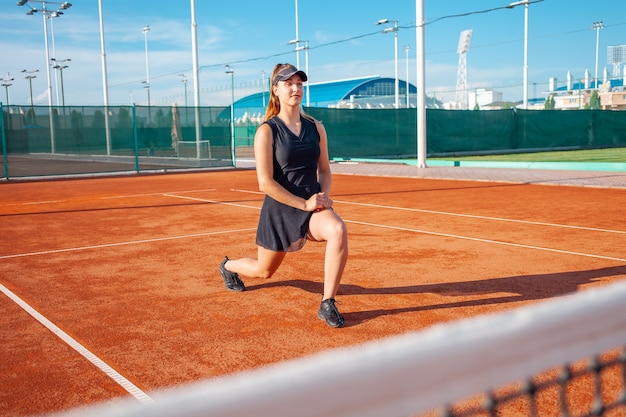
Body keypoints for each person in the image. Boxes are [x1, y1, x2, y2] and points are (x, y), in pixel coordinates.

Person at [219, 63, 348, 328]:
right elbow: (265, 183)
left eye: (299, 83)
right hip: (280, 209)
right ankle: (229, 266)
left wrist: (322, 196)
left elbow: (324, 169)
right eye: (288, 83)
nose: (295, 88)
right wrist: (303, 203)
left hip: (311, 206)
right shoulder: (266, 131)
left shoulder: (316, 127)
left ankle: (328, 303)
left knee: (337, 229)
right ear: (275, 89)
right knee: (263, 271)